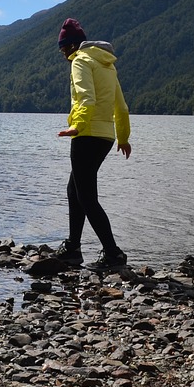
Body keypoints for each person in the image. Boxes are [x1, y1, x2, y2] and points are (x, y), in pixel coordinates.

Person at [53, 17, 131, 270]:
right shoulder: (108, 65)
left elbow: (87, 98)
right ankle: (73, 248)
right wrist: (123, 137)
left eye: (64, 47)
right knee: (74, 190)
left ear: (74, 45)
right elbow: (121, 107)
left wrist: (79, 125)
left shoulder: (81, 61)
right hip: (105, 136)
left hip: (87, 134)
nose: (63, 52)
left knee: (86, 196)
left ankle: (113, 253)